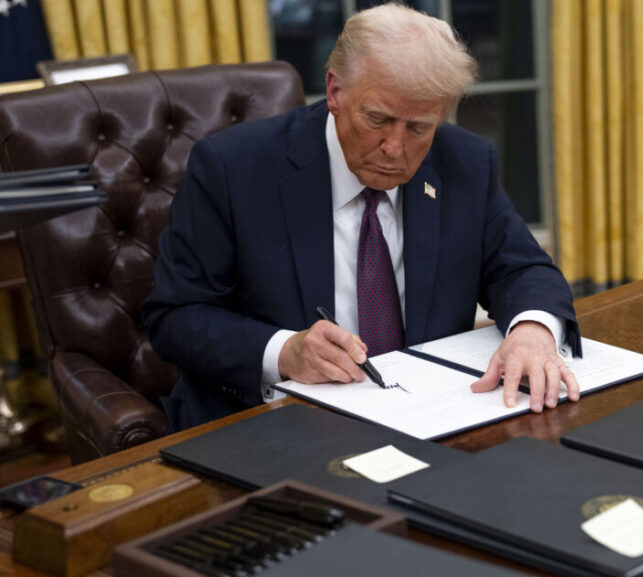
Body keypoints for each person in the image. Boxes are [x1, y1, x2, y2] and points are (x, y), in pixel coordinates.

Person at [143, 3, 581, 433]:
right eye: (378, 119)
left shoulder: (464, 163)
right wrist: (283, 352)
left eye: (419, 128)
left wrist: (532, 330)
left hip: (429, 420)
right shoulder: (232, 168)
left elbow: (522, 267)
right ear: (334, 92)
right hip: (271, 425)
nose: (395, 147)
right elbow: (177, 316)